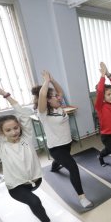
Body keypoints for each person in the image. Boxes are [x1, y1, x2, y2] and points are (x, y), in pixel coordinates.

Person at [0, 76, 54, 222]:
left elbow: (23, 114)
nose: (14, 132)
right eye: (8, 130)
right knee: (35, 202)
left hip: (35, 180)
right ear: (2, 133)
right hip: (16, 187)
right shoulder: (1, 146)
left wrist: (4, 94)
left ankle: (36, 209)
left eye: (15, 128)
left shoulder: (26, 138)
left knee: (32, 202)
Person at [31, 71, 93, 208]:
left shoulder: (59, 108)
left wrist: (52, 80)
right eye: (54, 97)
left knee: (61, 160)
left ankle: (54, 166)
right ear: (47, 100)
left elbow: (61, 91)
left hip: (67, 144)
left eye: (57, 96)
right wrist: (46, 81)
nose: (58, 98)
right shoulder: (43, 113)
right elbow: (42, 94)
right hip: (56, 148)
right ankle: (82, 198)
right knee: (73, 167)